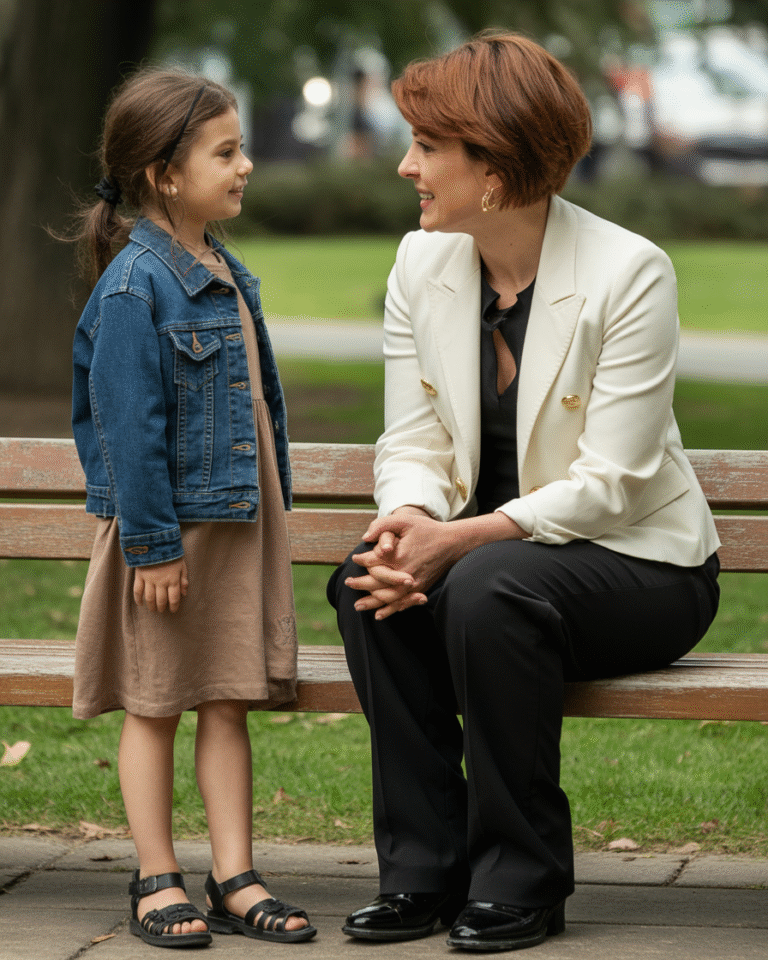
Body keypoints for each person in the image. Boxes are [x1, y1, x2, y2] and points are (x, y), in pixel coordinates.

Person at [328, 31, 720, 954]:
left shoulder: (629, 271)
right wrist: (410, 523)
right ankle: (423, 874)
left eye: (427, 147)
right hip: (489, 570)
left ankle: (522, 878)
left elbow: (615, 484)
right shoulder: (421, 265)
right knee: (368, 583)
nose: (405, 166)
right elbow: (413, 435)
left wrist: (459, 543)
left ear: (494, 167)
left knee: (483, 584)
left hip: (641, 567)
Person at [69, 67, 316, 949]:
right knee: (155, 702)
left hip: (232, 531)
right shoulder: (138, 286)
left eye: (242, 147)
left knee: (224, 700)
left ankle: (235, 875)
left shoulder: (223, 269)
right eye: (227, 151)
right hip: (170, 540)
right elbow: (126, 428)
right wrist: (153, 544)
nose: (245, 164)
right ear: (166, 174)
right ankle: (155, 876)